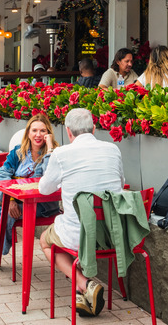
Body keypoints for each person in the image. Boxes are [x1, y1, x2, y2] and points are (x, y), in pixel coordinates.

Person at [38, 108, 125, 317]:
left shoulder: (61, 154)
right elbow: (121, 184)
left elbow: (44, 189)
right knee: (72, 227)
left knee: (45, 240)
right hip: (114, 235)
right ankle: (85, 296)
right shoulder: (113, 149)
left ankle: (84, 284)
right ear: (94, 128)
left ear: (68, 132)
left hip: (81, 236)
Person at [0, 114, 60, 271]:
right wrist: (10, 200)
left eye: (43, 131)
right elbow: (3, 174)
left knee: (9, 215)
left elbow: (48, 176)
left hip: (41, 205)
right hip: (13, 200)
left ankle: (0, 248)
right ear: (28, 133)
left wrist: (50, 147)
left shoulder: (55, 154)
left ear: (48, 133)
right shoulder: (18, 152)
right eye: (34, 130)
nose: (38, 135)